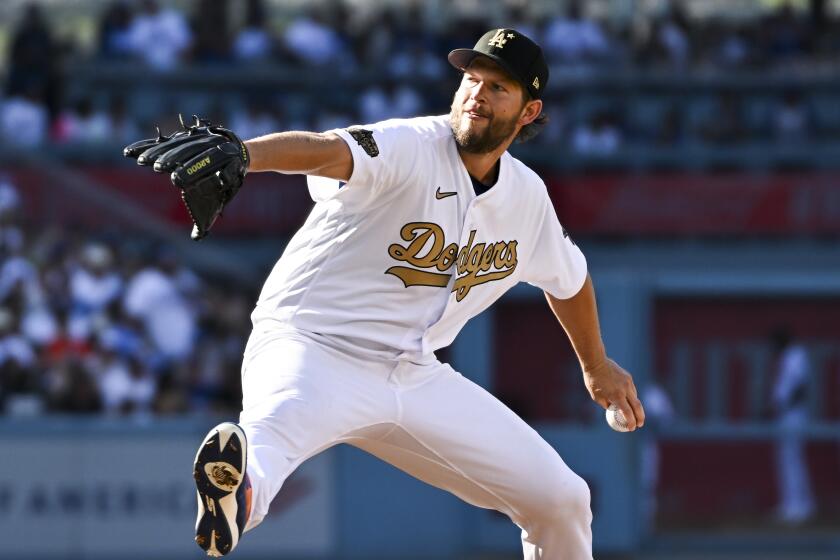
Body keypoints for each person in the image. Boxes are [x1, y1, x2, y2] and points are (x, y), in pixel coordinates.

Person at [191, 29, 645, 559]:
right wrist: (245, 153)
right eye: (471, 79)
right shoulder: (411, 144)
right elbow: (327, 151)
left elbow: (569, 281)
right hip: (312, 346)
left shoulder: (526, 197)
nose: (477, 92)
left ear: (529, 111)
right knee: (264, 443)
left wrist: (595, 365)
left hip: (414, 371)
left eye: (498, 86)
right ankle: (235, 495)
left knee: (562, 500)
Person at [769, 327, 815, 525]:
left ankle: (800, 507)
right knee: (787, 460)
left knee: (792, 460)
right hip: (786, 414)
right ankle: (792, 504)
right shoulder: (789, 356)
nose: (773, 347)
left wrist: (779, 407)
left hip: (793, 415)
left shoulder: (796, 356)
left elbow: (798, 389)